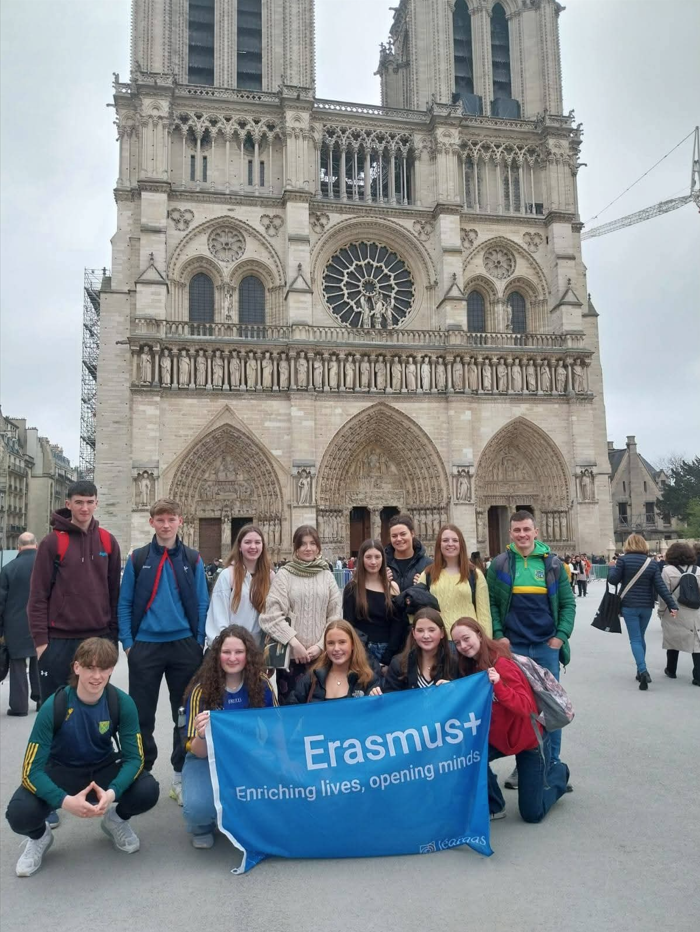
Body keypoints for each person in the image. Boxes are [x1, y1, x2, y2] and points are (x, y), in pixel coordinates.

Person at [5, 638, 159, 877]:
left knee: (148, 789)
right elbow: (30, 771)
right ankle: (40, 837)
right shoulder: (54, 705)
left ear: (111, 670)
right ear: (77, 667)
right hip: (62, 770)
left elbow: (135, 759)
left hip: (102, 768)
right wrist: (66, 802)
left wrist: (112, 792)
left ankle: (115, 820)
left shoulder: (121, 702)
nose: (96, 676)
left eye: (103, 668)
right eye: (90, 668)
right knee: (19, 813)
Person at [117, 498, 209, 805]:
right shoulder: (137, 558)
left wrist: (197, 641)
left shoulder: (193, 559)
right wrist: (128, 643)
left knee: (183, 714)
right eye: (161, 520)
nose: (166, 525)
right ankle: (141, 772)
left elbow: (201, 602)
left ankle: (181, 774)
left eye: (171, 519)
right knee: (140, 715)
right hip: (145, 646)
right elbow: (125, 602)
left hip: (184, 646)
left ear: (180, 522)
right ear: (151, 522)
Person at [450, 618, 569, 823]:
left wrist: (499, 685)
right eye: (457, 643)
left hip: (529, 741)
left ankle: (558, 772)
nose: (463, 646)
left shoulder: (502, 663)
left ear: (479, 634)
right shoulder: (468, 666)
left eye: (466, 638)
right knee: (468, 756)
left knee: (533, 814)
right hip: (499, 738)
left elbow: (525, 707)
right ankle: (495, 804)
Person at [487, 510, 574, 788]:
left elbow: (568, 603)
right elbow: (491, 603)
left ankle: (552, 765)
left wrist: (560, 637)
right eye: (517, 530)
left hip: (546, 644)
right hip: (515, 647)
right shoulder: (499, 564)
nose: (522, 534)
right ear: (510, 533)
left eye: (527, 529)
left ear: (536, 531)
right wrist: (499, 636)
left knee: (551, 707)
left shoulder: (553, 564)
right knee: (523, 710)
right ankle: (526, 766)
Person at [181, 625, 276, 848]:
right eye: (226, 652)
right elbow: (197, 750)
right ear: (217, 655)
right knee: (198, 809)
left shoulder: (261, 684)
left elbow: (274, 730)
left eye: (238, 652)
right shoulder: (200, 690)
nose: (232, 658)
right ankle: (202, 826)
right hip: (205, 758)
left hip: (246, 755)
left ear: (248, 655)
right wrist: (203, 736)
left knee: (273, 797)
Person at [27, 479, 121, 701]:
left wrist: (112, 640)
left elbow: (114, 595)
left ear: (97, 503)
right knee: (55, 709)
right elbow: (38, 596)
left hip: (97, 637)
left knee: (95, 709)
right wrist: (41, 645)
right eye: (79, 502)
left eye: (90, 502)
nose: (85, 508)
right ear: (68, 504)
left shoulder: (108, 541)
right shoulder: (52, 542)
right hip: (59, 641)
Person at [259, 525, 342, 702]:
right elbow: (271, 616)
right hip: (291, 659)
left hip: (322, 658)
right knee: (292, 716)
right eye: (303, 544)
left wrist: (320, 646)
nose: (308, 548)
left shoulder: (327, 576)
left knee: (322, 713)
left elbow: (335, 616)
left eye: (312, 543)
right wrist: (294, 644)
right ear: (295, 547)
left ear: (318, 547)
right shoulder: (284, 575)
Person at [608, 533, 678, 690]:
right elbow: (661, 587)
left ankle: (643, 670)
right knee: (641, 637)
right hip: (646, 606)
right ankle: (640, 670)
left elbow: (613, 580)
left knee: (635, 639)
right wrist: (672, 605)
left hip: (629, 605)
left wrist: (611, 568)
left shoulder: (623, 560)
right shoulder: (651, 563)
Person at [205, 524, 273, 647]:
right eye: (247, 542)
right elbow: (219, 615)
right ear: (240, 547)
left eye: (257, 542)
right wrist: (227, 647)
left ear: (263, 546)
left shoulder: (270, 577)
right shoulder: (228, 575)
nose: (253, 546)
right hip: (232, 650)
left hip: (258, 652)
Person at [417, 525, 492, 637]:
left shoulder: (474, 574)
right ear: (439, 545)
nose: (450, 544)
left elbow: (484, 614)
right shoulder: (427, 574)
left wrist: (486, 641)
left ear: (461, 544)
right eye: (445, 540)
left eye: (455, 540)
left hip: (468, 641)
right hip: (438, 641)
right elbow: (419, 609)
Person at [342, 538, 403, 670]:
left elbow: (397, 626)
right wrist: (364, 656)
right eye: (368, 557)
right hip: (362, 653)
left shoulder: (392, 588)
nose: (373, 562)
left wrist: (388, 658)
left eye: (377, 557)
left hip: (388, 652)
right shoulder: (352, 588)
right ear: (361, 559)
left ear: (383, 559)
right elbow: (349, 625)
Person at [289, 620, 382, 702]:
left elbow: (376, 717)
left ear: (353, 644)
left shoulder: (368, 679)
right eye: (331, 643)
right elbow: (290, 710)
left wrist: (375, 702)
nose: (336, 648)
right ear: (325, 647)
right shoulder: (312, 677)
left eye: (342, 642)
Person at [0, 532, 40, 716]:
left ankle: (19, 706)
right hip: (41, 623)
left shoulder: (8, 569)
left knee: (17, 667)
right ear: (36, 545)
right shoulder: (46, 567)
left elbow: (1, 602)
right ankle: (42, 700)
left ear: (18, 547)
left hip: (15, 626)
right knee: (40, 662)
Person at [655, 542, 699, 685]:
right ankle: (698, 675)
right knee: (696, 642)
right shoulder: (698, 570)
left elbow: (663, 594)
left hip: (674, 610)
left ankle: (671, 669)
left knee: (672, 639)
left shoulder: (668, 571)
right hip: (695, 610)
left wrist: (661, 611)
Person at [383, 607, 456, 691]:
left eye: (431, 630)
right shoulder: (398, 664)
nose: (426, 636)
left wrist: (453, 690)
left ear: (442, 633)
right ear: (413, 633)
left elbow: (464, 697)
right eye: (420, 630)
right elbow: (390, 699)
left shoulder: (453, 662)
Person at [384, 513, 432, 592]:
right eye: (394, 536)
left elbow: (436, 596)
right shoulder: (381, 564)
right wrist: (381, 582)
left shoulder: (428, 565)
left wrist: (423, 587)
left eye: (403, 534)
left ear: (412, 533)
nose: (399, 539)